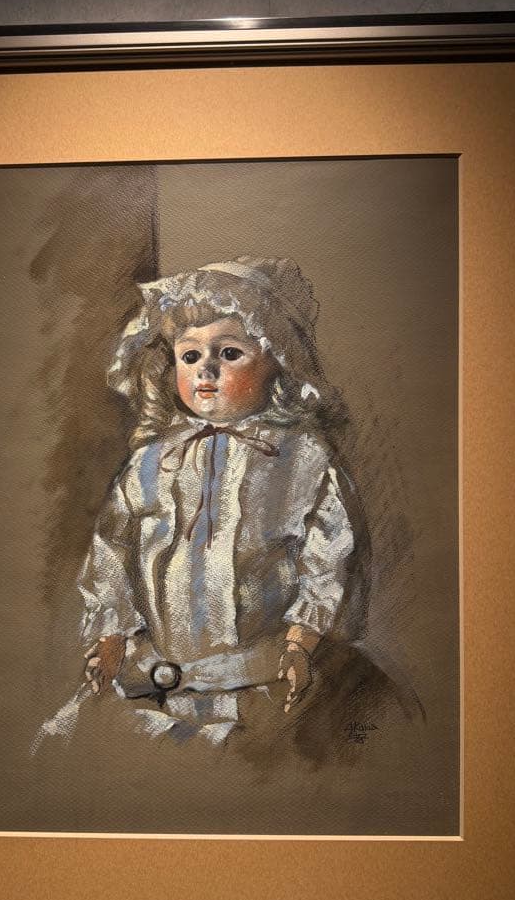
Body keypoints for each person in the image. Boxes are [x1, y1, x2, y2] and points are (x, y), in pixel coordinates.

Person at [35, 255, 377, 755]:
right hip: (156, 676)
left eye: (230, 353)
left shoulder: (301, 458)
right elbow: (112, 553)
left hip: (259, 675)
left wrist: (301, 641)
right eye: (190, 356)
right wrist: (110, 638)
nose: (206, 370)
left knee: (257, 759)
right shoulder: (151, 461)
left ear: (278, 363)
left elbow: (329, 558)